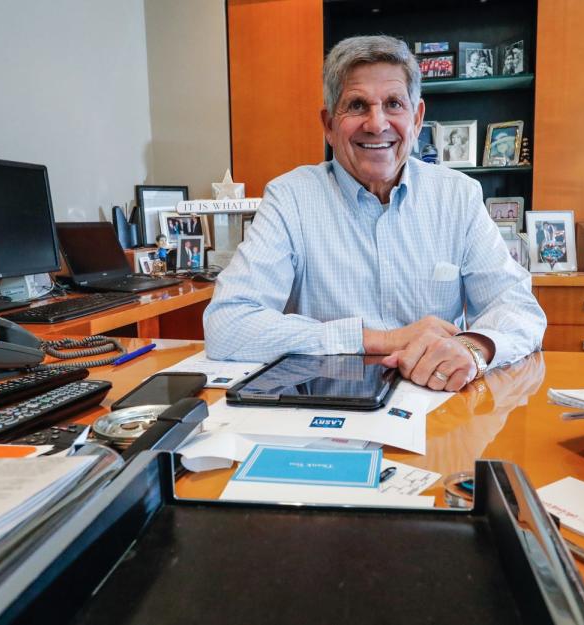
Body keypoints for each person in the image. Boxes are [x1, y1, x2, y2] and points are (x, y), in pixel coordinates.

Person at [203, 35, 546, 392]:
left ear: (417, 118)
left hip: (438, 413)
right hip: (326, 415)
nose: (376, 123)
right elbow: (227, 324)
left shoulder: (458, 195)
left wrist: (473, 348)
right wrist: (379, 340)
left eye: (394, 104)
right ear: (328, 125)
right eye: (356, 105)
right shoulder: (291, 198)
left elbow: (520, 309)